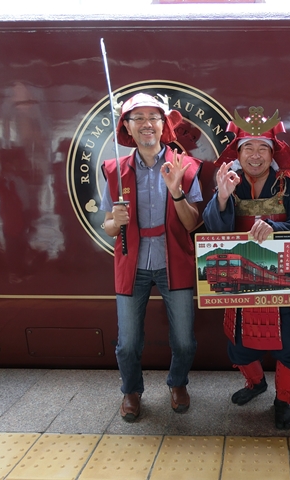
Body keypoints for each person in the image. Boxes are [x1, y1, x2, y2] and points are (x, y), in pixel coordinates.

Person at [202, 107, 290, 430]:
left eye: (262, 148)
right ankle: (256, 383)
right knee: (238, 346)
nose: (254, 155)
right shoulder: (231, 184)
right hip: (241, 283)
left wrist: (275, 229)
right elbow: (215, 233)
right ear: (238, 153)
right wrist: (221, 199)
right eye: (247, 148)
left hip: (284, 281)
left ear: (272, 152)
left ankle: (283, 401)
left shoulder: (289, 185)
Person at [101, 93, 201, 422]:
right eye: (138, 118)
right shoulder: (115, 169)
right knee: (128, 343)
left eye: (154, 117)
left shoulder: (184, 167)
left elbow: (192, 224)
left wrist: (176, 191)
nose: (147, 124)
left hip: (175, 260)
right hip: (132, 264)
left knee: (185, 341)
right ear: (127, 127)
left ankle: (177, 383)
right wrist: (115, 222)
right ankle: (131, 391)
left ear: (163, 126)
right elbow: (108, 227)